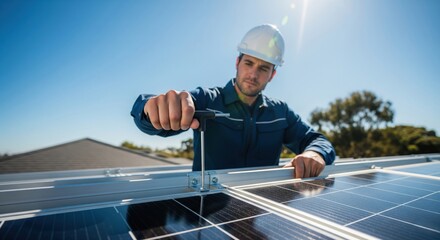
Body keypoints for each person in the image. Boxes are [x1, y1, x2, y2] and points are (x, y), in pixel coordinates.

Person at [131, 24, 335, 178]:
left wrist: (315, 154)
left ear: (272, 75)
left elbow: (318, 141)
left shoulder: (281, 113)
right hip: (207, 211)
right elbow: (150, 117)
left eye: (264, 68)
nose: (253, 74)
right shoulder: (207, 99)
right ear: (237, 63)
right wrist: (150, 109)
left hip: (263, 212)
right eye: (249, 63)